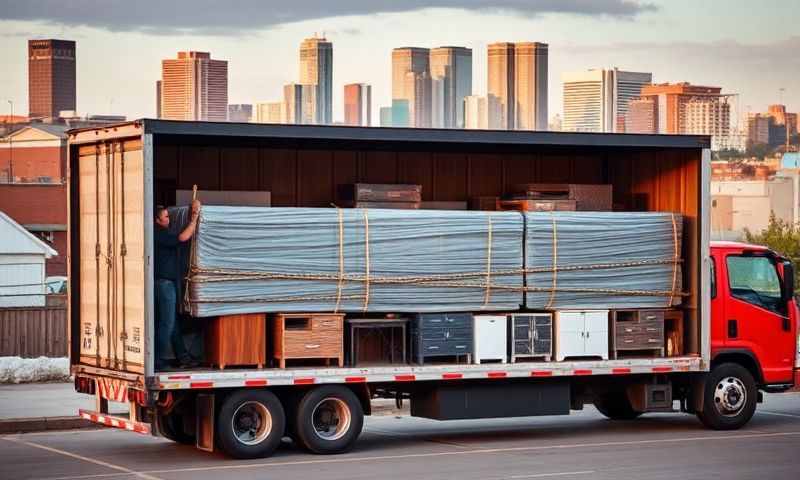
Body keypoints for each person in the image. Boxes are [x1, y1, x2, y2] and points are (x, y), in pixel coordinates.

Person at [154, 200, 201, 370]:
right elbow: (183, 237)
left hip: (167, 284)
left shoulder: (163, 231)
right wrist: (194, 219)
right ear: (157, 220)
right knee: (167, 323)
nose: (169, 219)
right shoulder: (159, 233)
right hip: (165, 285)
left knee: (172, 323)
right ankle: (156, 361)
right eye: (166, 217)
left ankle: (183, 357)